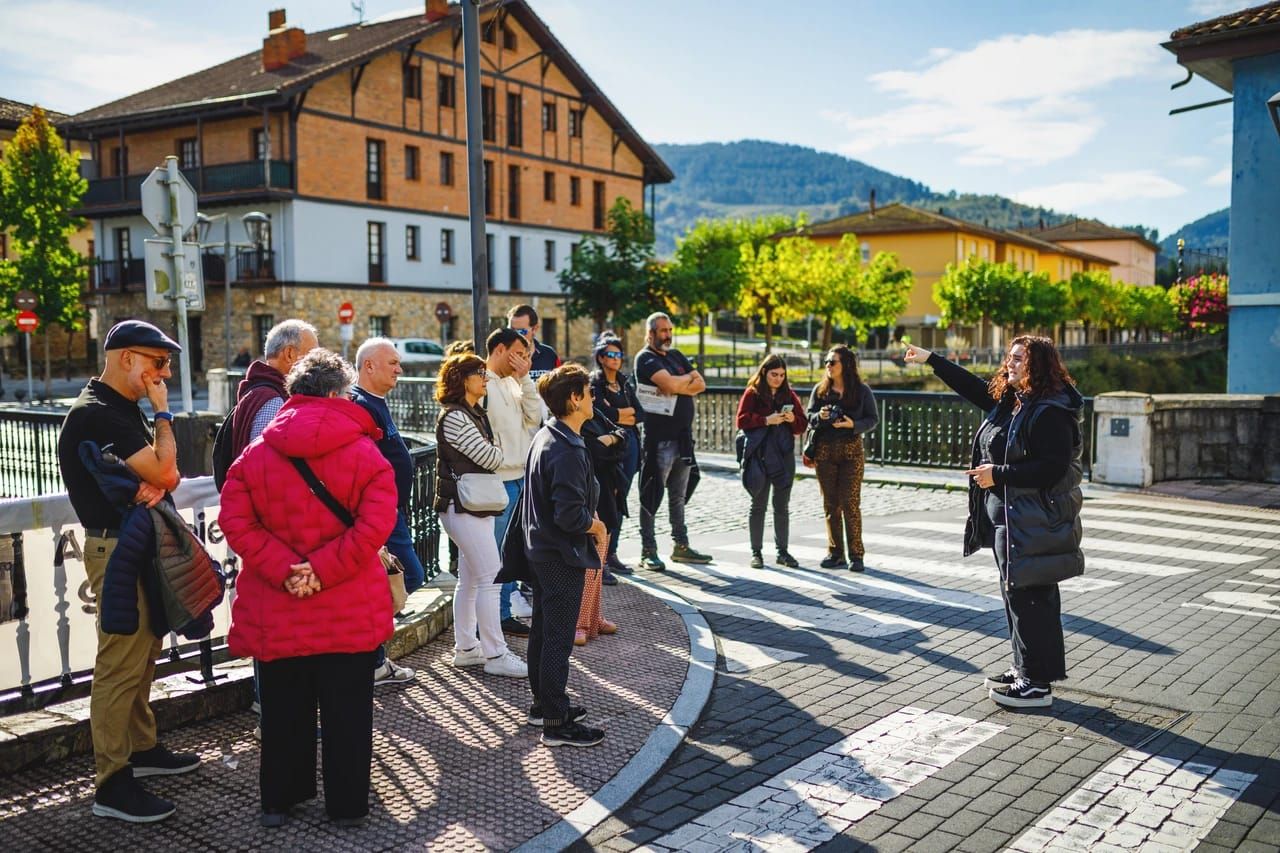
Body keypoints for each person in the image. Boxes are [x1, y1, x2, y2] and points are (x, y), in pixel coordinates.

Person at [220, 348, 397, 828]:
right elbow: (375, 524)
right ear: (339, 394)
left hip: (277, 602)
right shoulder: (365, 452)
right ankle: (347, 804)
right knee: (348, 713)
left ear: (294, 392)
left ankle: (279, 800)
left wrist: (286, 569)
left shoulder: (257, 454)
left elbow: (235, 520)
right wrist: (321, 569)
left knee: (283, 710)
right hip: (347, 603)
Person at [57, 320, 195, 823]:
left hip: (132, 544)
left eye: (167, 365)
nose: (165, 374)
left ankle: (141, 748)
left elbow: (161, 476)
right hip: (116, 549)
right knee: (119, 664)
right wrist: (163, 414)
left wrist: (157, 474)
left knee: (143, 652)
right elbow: (167, 473)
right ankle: (112, 784)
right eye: (158, 363)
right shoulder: (97, 414)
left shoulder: (114, 408)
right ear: (125, 359)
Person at [904, 337, 1084, 709]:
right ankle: (1025, 669)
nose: (1010, 364)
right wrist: (931, 359)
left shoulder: (1049, 411)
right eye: (1009, 357)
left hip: (1032, 520)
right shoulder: (1014, 401)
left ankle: (1036, 685)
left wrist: (998, 474)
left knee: (1031, 599)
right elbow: (972, 386)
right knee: (1017, 596)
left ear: (1038, 365)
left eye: (1019, 359)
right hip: (1011, 518)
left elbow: (1053, 467)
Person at [517, 364, 607, 747]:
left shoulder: (548, 434)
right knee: (557, 638)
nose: (594, 398)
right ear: (574, 398)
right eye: (589, 392)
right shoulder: (566, 448)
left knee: (543, 630)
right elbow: (569, 515)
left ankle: (544, 706)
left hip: (542, 549)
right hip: (559, 553)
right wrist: (595, 527)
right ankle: (556, 722)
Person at [433, 353, 528, 678]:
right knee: (491, 576)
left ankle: (466, 648)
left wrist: (495, 449)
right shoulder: (456, 417)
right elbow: (491, 458)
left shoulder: (472, 413)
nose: (485, 379)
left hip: (471, 505)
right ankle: (495, 653)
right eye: (479, 373)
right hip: (463, 506)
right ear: (462, 379)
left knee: (472, 579)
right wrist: (497, 450)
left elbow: (490, 453)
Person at [351, 337, 424, 687]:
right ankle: (368, 657)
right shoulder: (360, 404)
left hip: (390, 513)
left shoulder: (375, 403)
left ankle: (372, 658)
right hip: (380, 516)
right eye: (392, 363)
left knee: (398, 580)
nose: (399, 369)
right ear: (369, 366)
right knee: (408, 576)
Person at [634, 312, 710, 571]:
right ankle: (648, 550)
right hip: (659, 440)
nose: (667, 335)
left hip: (683, 438)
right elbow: (667, 385)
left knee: (678, 496)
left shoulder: (676, 355)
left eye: (669, 330)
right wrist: (683, 382)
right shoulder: (645, 358)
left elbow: (701, 384)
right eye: (663, 331)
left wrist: (677, 385)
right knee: (651, 494)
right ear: (651, 333)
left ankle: (681, 546)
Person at [484, 328, 542, 636]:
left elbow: (534, 418)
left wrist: (525, 379)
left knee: (510, 552)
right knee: (495, 553)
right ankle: (494, 618)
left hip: (519, 477)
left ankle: (504, 612)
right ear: (500, 350)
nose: (523, 360)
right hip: (498, 480)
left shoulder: (514, 382)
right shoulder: (482, 383)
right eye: (518, 353)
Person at [807, 345, 878, 572]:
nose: (828, 365)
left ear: (846, 364)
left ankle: (856, 555)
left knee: (850, 503)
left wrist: (852, 424)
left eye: (832, 362)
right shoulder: (820, 390)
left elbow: (872, 419)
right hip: (825, 453)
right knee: (831, 504)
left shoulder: (862, 391)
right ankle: (835, 552)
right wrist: (820, 416)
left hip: (851, 453)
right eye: (826, 362)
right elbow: (809, 417)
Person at [735, 354, 805, 569]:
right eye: (774, 374)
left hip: (783, 455)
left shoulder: (789, 395)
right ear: (764, 372)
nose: (778, 379)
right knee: (758, 504)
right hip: (760, 454)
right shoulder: (753, 393)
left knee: (781, 505)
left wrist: (793, 419)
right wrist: (766, 420)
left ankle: (782, 551)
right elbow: (741, 420)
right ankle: (756, 552)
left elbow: (802, 425)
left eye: (782, 375)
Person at [589, 335, 643, 577]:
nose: (615, 359)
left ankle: (612, 552)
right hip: (610, 447)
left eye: (618, 355)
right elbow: (603, 413)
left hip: (629, 444)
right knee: (607, 500)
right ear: (601, 358)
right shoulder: (595, 383)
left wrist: (620, 413)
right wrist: (623, 415)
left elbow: (639, 413)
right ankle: (600, 557)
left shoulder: (624, 383)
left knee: (621, 499)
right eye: (610, 355)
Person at [229, 319, 319, 460]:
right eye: (312, 356)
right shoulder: (274, 403)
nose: (316, 364)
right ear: (289, 354)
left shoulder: (261, 390)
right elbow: (262, 464)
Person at [576, 400, 625, 642]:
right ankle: (579, 623)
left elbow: (623, 436)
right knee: (587, 563)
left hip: (606, 488)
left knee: (599, 560)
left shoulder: (596, 414)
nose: (593, 398)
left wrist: (611, 441)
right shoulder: (568, 428)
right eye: (588, 392)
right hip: (586, 495)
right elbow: (594, 452)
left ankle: (594, 616)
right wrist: (608, 444)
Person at [507, 303, 561, 379]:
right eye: (511, 330)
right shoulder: (503, 356)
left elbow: (560, 383)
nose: (515, 336)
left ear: (535, 329)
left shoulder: (549, 354)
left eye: (521, 332)